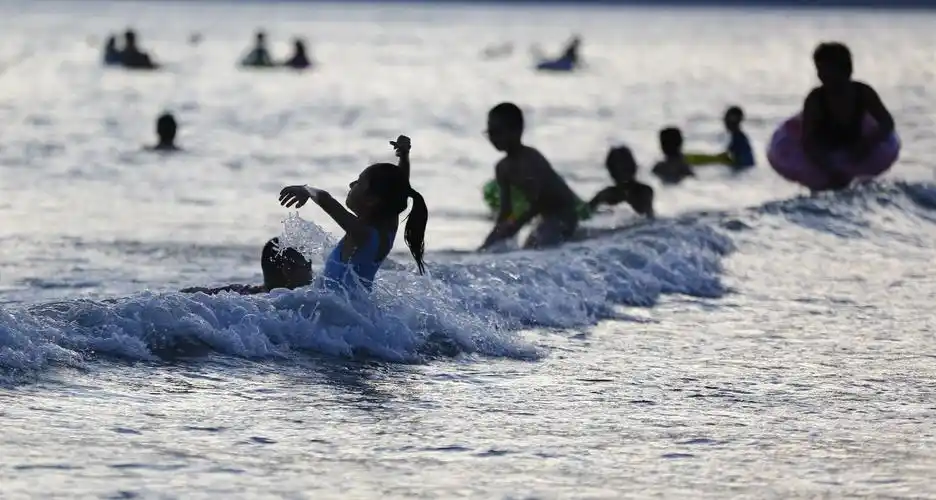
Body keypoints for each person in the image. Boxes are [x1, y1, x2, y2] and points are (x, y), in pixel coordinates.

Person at [279, 135, 427, 292]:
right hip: (358, 311)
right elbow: (399, 189)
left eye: (359, 182)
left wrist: (306, 189)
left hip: (334, 314)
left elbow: (326, 200)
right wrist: (404, 157)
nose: (351, 184)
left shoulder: (362, 234)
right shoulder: (388, 226)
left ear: (372, 199)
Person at [480, 103, 581, 251]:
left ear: (517, 131)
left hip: (563, 213)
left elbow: (541, 200)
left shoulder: (531, 159)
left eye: (497, 132)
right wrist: (489, 242)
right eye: (490, 132)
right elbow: (505, 214)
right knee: (520, 247)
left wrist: (517, 224)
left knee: (533, 250)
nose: (493, 138)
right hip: (544, 216)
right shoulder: (502, 168)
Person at [801, 42, 895, 190]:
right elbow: (807, 141)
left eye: (828, 70)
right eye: (819, 70)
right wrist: (827, 168)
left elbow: (887, 123)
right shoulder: (816, 100)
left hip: (855, 150)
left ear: (846, 70)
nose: (822, 75)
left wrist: (868, 143)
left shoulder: (863, 93)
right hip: (825, 155)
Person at [181, 238, 313, 295]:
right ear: (287, 269)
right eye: (307, 264)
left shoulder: (240, 292)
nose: (311, 270)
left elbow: (190, 293)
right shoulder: (296, 308)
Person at [588, 146, 655, 218]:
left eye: (625, 169)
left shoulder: (645, 191)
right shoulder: (606, 195)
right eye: (618, 170)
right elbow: (585, 212)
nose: (622, 173)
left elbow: (649, 216)